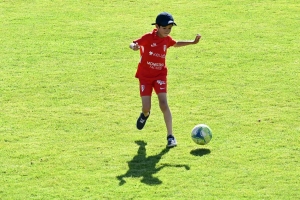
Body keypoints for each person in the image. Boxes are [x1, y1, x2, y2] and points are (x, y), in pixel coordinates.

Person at [129, 12, 201, 148]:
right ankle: (145, 114)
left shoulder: (166, 40)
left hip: (160, 75)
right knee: (146, 107)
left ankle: (170, 136)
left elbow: (175, 43)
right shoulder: (148, 37)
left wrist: (192, 42)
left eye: (169, 29)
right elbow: (134, 43)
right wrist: (134, 46)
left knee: (163, 104)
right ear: (157, 26)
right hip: (145, 77)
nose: (167, 31)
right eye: (164, 28)